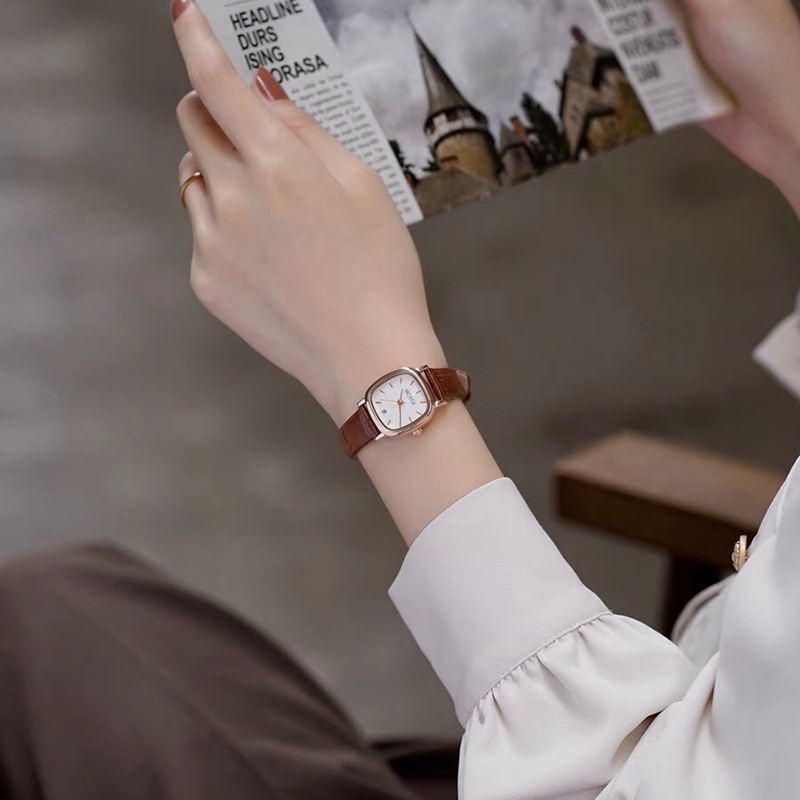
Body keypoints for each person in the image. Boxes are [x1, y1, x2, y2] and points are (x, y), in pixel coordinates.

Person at [0, 0, 798, 797]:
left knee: (47, 641)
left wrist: (371, 362)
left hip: (600, 758)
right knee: (56, 611)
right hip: (683, 707)